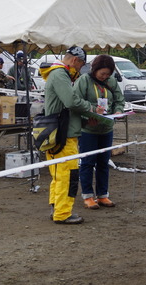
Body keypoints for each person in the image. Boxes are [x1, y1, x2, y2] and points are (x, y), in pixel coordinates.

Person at [40, 46, 104, 225]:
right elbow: (70, 101)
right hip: (63, 135)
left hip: (60, 132)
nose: (80, 70)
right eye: (81, 64)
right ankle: (62, 213)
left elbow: (66, 108)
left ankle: (57, 208)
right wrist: (91, 109)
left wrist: (83, 121)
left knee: (59, 175)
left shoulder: (57, 74)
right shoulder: (60, 75)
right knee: (67, 175)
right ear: (75, 61)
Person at [74, 54, 125, 209]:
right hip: (88, 130)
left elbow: (119, 100)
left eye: (108, 74)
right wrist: (87, 116)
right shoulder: (83, 81)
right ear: (95, 70)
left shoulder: (112, 82)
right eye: (102, 73)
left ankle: (103, 195)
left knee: (103, 162)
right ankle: (88, 196)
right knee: (88, 163)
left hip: (106, 128)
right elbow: (76, 102)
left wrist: (117, 111)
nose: (105, 76)